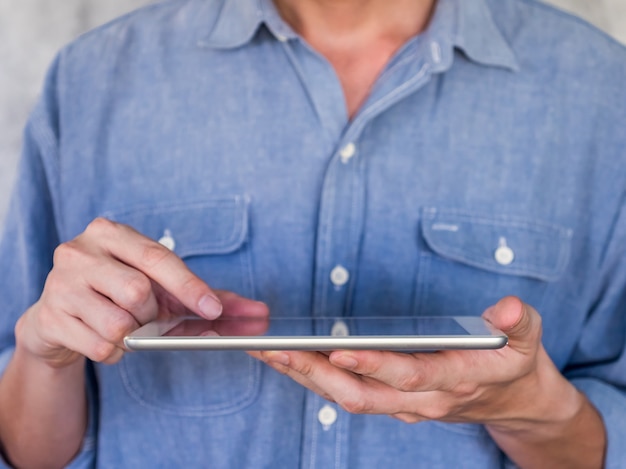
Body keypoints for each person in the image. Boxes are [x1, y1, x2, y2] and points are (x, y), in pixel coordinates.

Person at [0, 0, 624, 467]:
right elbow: (28, 452)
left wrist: (533, 412)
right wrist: (43, 357)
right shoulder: (92, 79)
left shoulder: (601, 93)